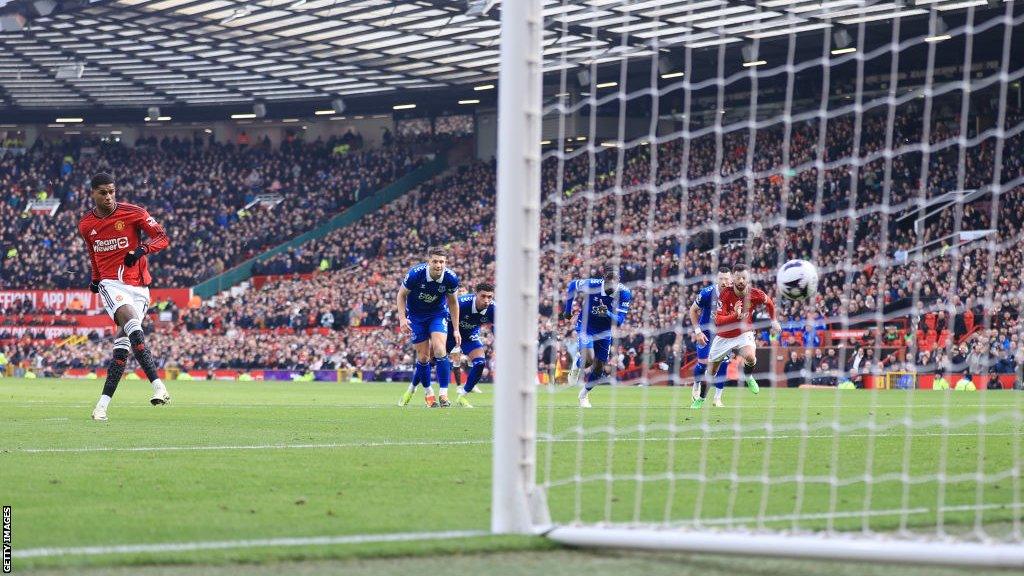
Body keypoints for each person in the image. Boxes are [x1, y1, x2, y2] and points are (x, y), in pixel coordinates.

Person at [78, 173, 171, 421]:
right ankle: (158, 386)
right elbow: (93, 254)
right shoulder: (86, 225)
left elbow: (162, 238)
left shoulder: (134, 212)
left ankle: (101, 406)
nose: (108, 197)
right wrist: (96, 279)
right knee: (131, 325)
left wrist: (142, 249)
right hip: (112, 284)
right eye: (102, 192)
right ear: (93, 194)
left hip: (139, 287)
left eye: (111, 191)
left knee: (122, 350)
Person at [694, 264, 780, 409]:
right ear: (733, 278)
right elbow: (719, 321)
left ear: (748, 279)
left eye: (744, 278)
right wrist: (735, 315)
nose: (741, 280)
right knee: (711, 372)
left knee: (750, 357)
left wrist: (774, 321)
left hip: (743, 334)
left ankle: (747, 376)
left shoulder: (755, 294)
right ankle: (701, 399)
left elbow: (770, 303)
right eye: (738, 277)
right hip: (723, 336)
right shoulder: (725, 295)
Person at [560, 264, 633, 408]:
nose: (612, 284)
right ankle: (578, 362)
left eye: (615, 280)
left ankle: (584, 395)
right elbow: (572, 285)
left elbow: (619, 321)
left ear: (619, 280)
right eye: (608, 280)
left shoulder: (624, 293)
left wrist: (606, 313)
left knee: (599, 368)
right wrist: (567, 310)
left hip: (605, 331)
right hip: (586, 326)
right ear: (603, 279)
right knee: (588, 360)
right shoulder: (593, 284)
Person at [396, 247, 460, 408]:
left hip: (437, 314)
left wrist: (456, 329)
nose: (439, 265)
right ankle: (428, 393)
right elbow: (401, 295)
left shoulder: (451, 278)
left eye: (442, 262)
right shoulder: (415, 274)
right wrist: (403, 319)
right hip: (416, 317)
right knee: (423, 357)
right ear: (428, 262)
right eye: (435, 261)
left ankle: (443, 395)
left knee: (439, 349)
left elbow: (453, 302)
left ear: (445, 263)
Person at [444, 283, 495, 408]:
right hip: (450, 333)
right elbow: (442, 318)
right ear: (475, 294)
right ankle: (415, 390)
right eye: (483, 296)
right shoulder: (462, 303)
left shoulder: (494, 308)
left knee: (480, 363)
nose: (487, 300)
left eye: (490, 297)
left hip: (469, 336)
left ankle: (462, 396)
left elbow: (498, 328)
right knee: (430, 359)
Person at [688, 266, 733, 406]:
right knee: (702, 364)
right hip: (706, 334)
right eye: (721, 278)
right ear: (716, 279)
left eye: (726, 278)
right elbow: (693, 310)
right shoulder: (707, 293)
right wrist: (698, 332)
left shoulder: (736, 295)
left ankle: (717, 398)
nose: (724, 281)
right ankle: (696, 385)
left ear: (731, 280)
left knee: (724, 364)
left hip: (723, 335)